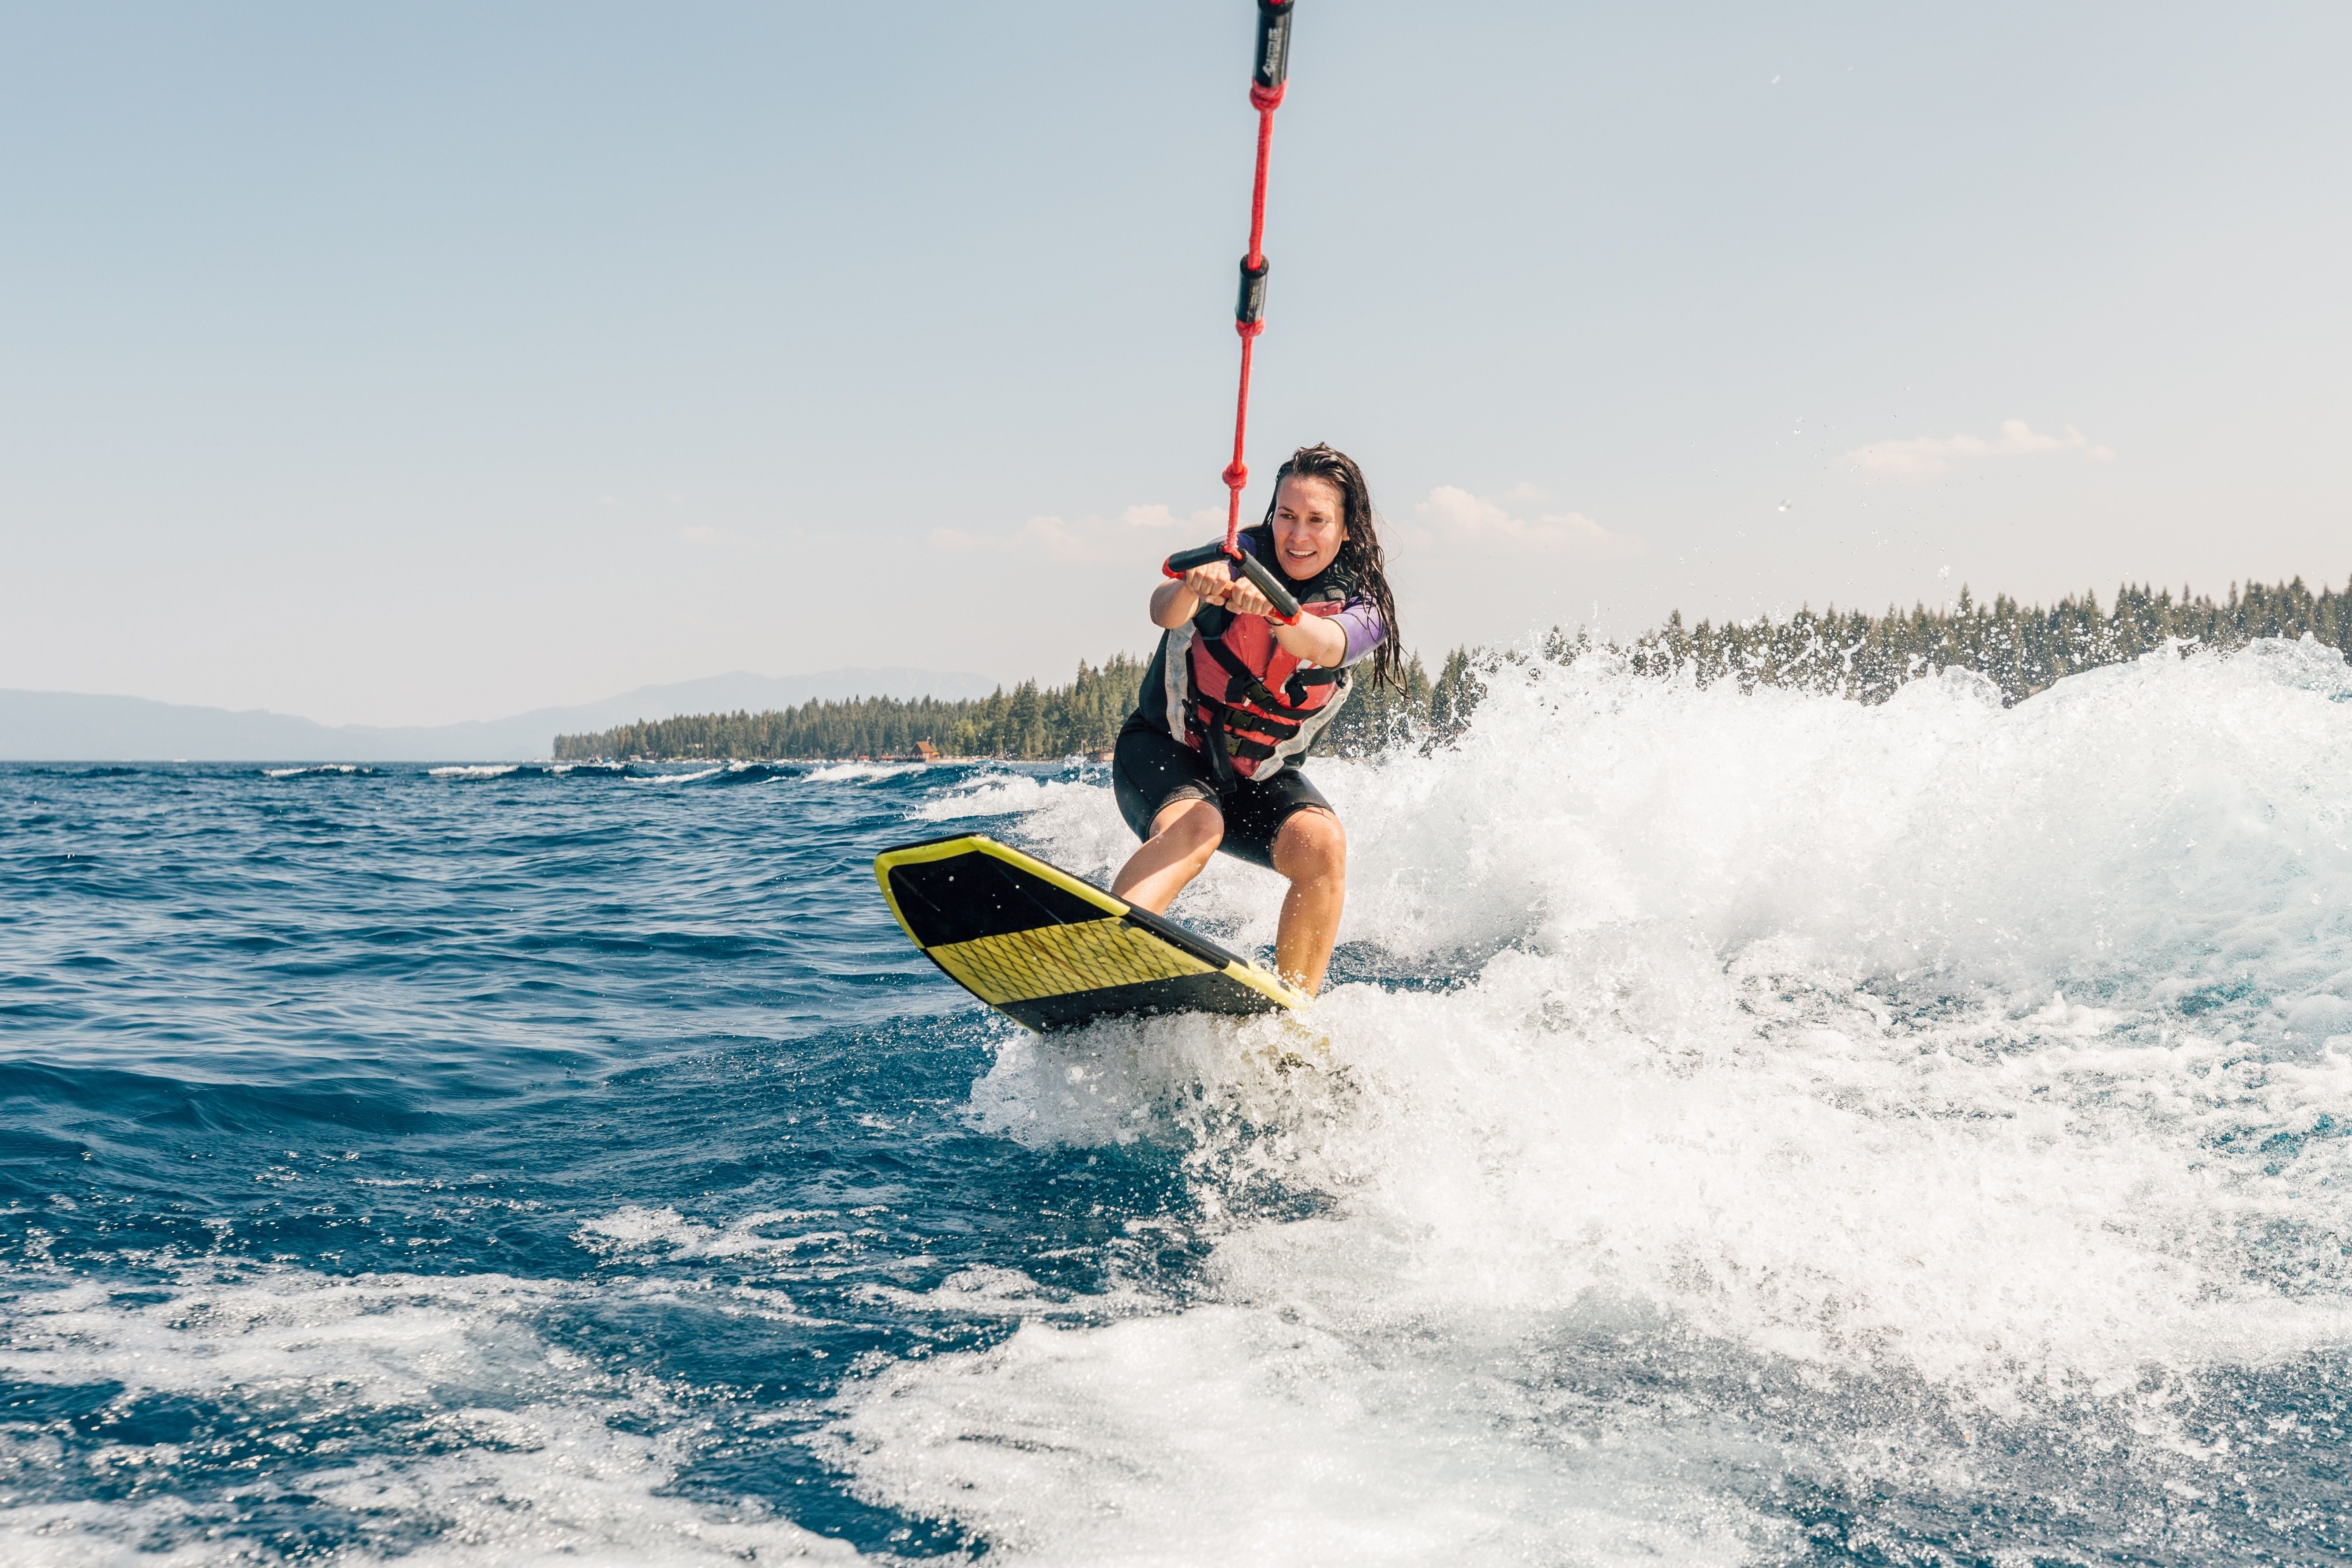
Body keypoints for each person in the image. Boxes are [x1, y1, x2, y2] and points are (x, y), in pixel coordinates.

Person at [1110, 443, 1404, 995]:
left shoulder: (1366, 608)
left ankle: (1294, 1009)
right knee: (1199, 825)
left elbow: (1324, 642)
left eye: (1317, 520)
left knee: (1322, 845)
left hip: (1254, 778)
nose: (1297, 536)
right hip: (1163, 751)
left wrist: (1268, 604)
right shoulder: (1237, 554)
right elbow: (1162, 610)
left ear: (1346, 531)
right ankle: (1103, 950)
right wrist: (1196, 585)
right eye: (1287, 516)